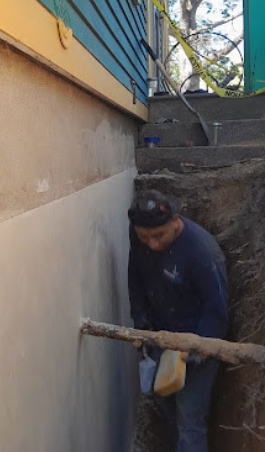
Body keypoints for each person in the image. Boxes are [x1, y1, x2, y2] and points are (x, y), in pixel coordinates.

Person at [127, 189, 228, 452]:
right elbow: (135, 276)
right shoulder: (141, 236)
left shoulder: (202, 253)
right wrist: (141, 322)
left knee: (189, 419)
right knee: (165, 403)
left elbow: (216, 311)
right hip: (160, 337)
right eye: (144, 237)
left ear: (174, 221)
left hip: (197, 342)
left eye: (159, 236)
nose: (152, 244)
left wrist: (194, 353)